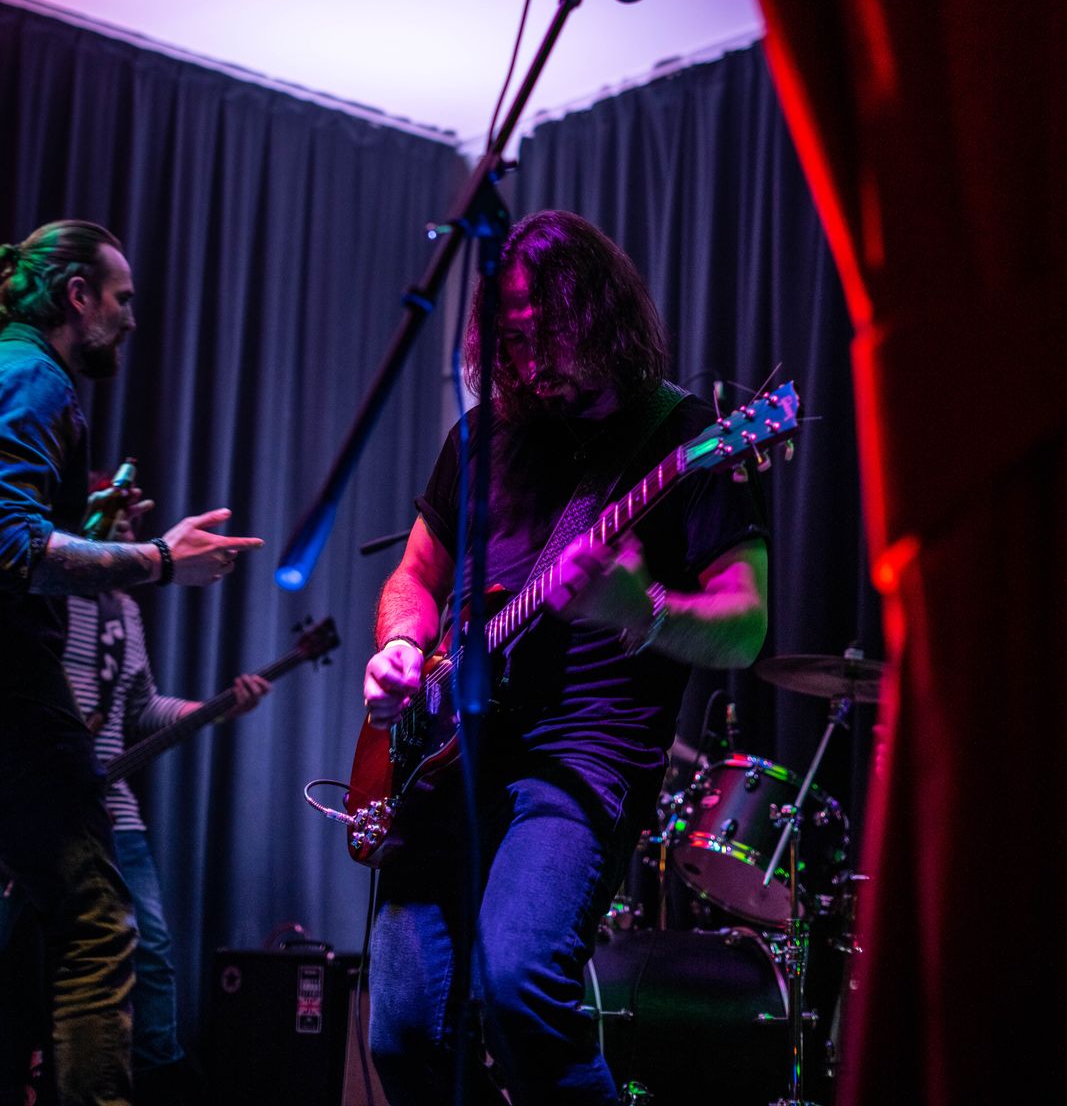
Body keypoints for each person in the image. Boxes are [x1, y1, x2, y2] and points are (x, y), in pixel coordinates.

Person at [362, 211, 769, 1105]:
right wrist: (399, 643)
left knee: (517, 986)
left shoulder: (684, 434)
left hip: (583, 753)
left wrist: (642, 608)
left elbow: (744, 625)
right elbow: (415, 575)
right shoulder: (481, 437)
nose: (531, 359)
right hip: (448, 755)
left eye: (548, 333)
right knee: (401, 1032)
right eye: (511, 340)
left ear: (602, 316)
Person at [0, 221, 263, 1106]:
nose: (132, 319)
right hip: (15, 690)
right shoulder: (36, 374)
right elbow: (13, 549)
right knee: (96, 926)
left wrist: (100, 537)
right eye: (122, 299)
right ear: (78, 296)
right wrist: (156, 559)